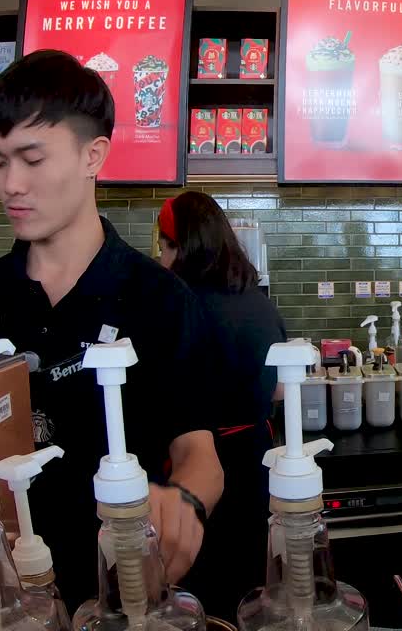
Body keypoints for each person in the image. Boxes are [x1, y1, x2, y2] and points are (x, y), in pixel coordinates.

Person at [0, 50, 223, 604]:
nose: (10, 185)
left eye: (32, 159)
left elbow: (199, 452)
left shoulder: (159, 298)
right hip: (6, 596)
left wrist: (183, 503)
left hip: (121, 590)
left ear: (93, 155)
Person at [156, 190, 287, 613]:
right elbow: (280, 390)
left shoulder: (177, 307)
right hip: (256, 461)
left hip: (197, 471)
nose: (161, 259)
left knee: (199, 592)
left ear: (181, 246)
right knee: (250, 583)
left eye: (165, 247)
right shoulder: (259, 302)